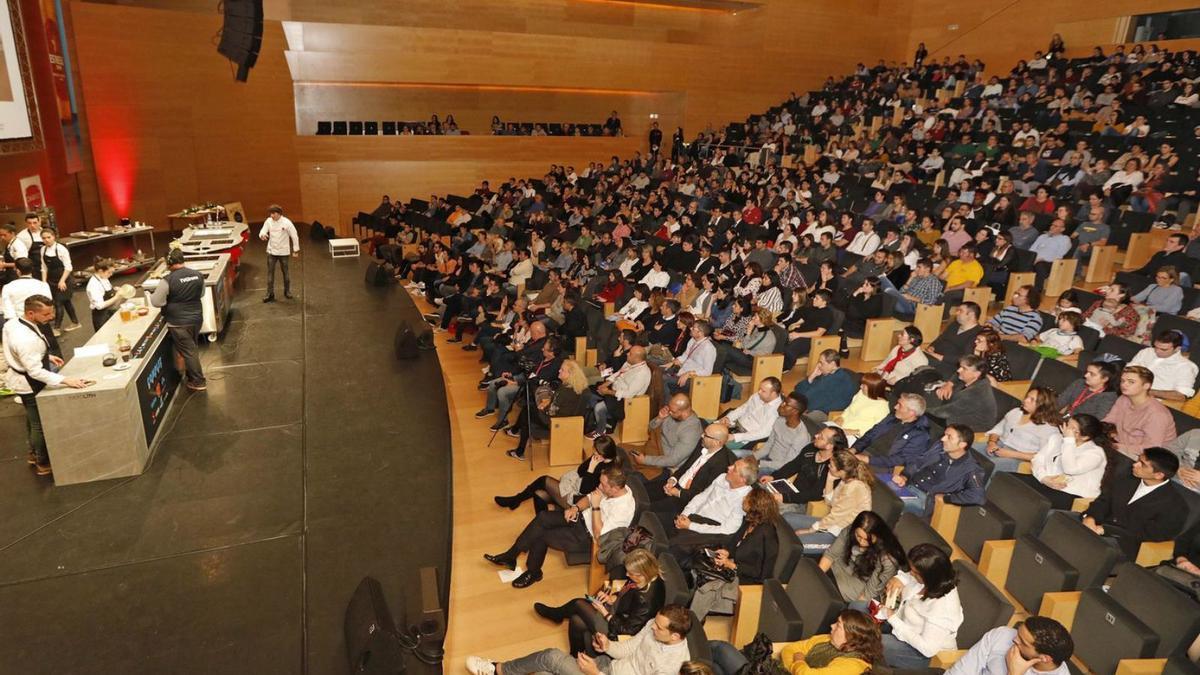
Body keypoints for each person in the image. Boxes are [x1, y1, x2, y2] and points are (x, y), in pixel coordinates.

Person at [484, 466, 635, 588]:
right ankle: (511, 555)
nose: (599, 486)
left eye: (603, 484)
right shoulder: (615, 487)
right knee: (543, 517)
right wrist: (575, 508)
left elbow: (599, 535)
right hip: (580, 518)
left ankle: (534, 572)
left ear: (614, 489)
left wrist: (596, 507)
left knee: (542, 536)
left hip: (587, 537)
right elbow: (589, 498)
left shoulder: (623, 509)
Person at [2, 295, 90, 476]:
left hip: (22, 374)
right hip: (28, 383)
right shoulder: (26, 340)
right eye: (46, 314)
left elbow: (19, 353)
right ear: (30, 313)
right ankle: (42, 462)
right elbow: (34, 371)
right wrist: (66, 380)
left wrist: (46, 357)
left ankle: (33, 455)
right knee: (39, 424)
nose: (51, 317)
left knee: (31, 419)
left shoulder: (12, 323)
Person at [466, 605, 692, 675]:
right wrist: (608, 646)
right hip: (609, 667)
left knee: (551, 657)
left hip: (603, 674)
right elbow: (631, 648)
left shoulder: (673, 667)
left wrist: (596, 674)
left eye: (658, 628)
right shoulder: (656, 624)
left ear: (675, 636)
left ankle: (498, 670)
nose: (652, 627)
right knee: (545, 674)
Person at [534, 548, 666, 656]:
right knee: (576, 620)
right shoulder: (647, 578)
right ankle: (575, 656)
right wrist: (613, 597)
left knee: (578, 605)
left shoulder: (646, 601)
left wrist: (604, 612)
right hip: (619, 611)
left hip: (618, 629)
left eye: (630, 573)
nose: (626, 574)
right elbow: (629, 589)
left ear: (641, 574)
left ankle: (557, 615)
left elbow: (628, 630)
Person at [689, 487, 780, 621]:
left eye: (747, 499)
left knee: (706, 587)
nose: (744, 499)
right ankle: (693, 615)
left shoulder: (767, 535)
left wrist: (732, 565)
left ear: (755, 505)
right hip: (734, 567)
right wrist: (727, 552)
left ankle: (692, 622)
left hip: (748, 580)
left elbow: (761, 574)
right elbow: (735, 542)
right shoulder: (749, 521)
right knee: (700, 568)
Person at [1082, 447, 1188, 559]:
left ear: (1158, 475)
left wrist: (1105, 529)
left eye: (1142, 464)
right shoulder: (1126, 479)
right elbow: (1102, 502)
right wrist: (1090, 518)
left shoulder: (1175, 505)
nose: (1135, 464)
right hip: (1096, 525)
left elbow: (1151, 534)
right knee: (1064, 522)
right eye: (1138, 459)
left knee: (1084, 545)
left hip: (1124, 543)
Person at [708, 610, 882, 675]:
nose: (831, 626)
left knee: (721, 648)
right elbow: (792, 648)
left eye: (838, 625)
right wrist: (799, 664)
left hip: (773, 670)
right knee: (714, 669)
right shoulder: (827, 640)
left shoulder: (853, 665)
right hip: (773, 668)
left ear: (851, 636)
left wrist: (798, 660)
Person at [878, 544, 963, 669]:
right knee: (859, 609)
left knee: (869, 644)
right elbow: (908, 576)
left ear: (929, 576)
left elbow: (927, 649)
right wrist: (899, 578)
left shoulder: (944, 607)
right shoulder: (927, 578)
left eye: (915, 573)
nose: (911, 574)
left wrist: (892, 618)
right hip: (901, 624)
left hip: (921, 653)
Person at [495, 435, 627, 512]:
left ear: (604, 454)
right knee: (539, 494)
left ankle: (515, 500)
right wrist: (590, 465)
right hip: (576, 489)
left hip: (580, 501)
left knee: (543, 480)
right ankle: (541, 522)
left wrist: (591, 469)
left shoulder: (607, 470)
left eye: (596, 451)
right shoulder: (598, 458)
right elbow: (580, 470)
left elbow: (584, 489)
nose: (593, 453)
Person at [665, 457, 759, 558]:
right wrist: (685, 514)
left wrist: (691, 525)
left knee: (672, 546)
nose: (729, 467)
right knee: (660, 524)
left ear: (742, 480)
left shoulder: (745, 500)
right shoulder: (722, 477)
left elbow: (727, 530)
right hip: (693, 517)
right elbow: (701, 497)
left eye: (734, 468)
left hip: (709, 531)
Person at [785, 448, 874, 553]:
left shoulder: (854, 488)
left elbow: (836, 515)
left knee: (794, 544)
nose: (828, 466)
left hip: (841, 534)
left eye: (831, 466)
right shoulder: (845, 480)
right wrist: (830, 479)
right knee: (787, 518)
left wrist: (810, 530)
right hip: (831, 524)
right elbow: (829, 502)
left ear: (841, 471)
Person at [1017, 414, 1113, 510]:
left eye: (1072, 429)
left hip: (1071, 494)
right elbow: (1038, 459)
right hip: (1047, 483)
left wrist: (1069, 441)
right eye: (1067, 424)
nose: (1066, 430)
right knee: (1010, 482)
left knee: (1026, 499)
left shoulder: (1095, 453)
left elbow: (1070, 469)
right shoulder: (1057, 438)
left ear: (1085, 437)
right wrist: (1043, 477)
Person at [892, 423, 987, 516]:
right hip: (908, 486)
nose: (943, 439)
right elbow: (918, 462)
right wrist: (905, 476)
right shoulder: (939, 447)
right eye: (944, 435)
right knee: (879, 487)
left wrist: (947, 498)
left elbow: (978, 496)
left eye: (949, 437)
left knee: (891, 502)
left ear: (962, 445)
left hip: (924, 499)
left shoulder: (970, 468)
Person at [820, 511, 905, 610]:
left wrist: (851, 611)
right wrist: (817, 576)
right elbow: (831, 555)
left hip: (858, 584)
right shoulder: (851, 530)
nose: (861, 542)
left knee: (821, 593)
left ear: (878, 535)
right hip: (839, 567)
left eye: (867, 539)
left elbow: (869, 593)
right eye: (858, 536)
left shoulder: (887, 559)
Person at [148, 249, 206, 392]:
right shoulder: (198, 275)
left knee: (189, 351)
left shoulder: (167, 280)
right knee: (191, 348)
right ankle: (192, 376)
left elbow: (156, 302)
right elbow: (202, 293)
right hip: (196, 318)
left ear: (170, 263)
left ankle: (198, 381)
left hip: (178, 322)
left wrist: (151, 295)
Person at [508, 358, 589, 460]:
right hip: (571, 421)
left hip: (557, 422)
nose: (559, 371)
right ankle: (515, 431)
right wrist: (549, 402)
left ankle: (519, 450)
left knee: (527, 411)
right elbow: (561, 403)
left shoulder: (564, 390)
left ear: (570, 374)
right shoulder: (581, 387)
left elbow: (551, 411)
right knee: (531, 408)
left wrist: (543, 407)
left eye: (562, 370)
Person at [647, 423, 735, 512]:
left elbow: (704, 494)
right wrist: (673, 479)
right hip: (675, 485)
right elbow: (686, 467)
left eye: (705, 435)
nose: (702, 436)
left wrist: (678, 493)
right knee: (644, 491)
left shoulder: (721, 465)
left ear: (717, 442)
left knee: (648, 509)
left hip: (685, 500)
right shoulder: (702, 444)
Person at [946, 617, 1074, 675]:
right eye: (1018, 633)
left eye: (1022, 642)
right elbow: (960, 671)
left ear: (1045, 658)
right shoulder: (1001, 635)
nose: (1014, 639)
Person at [760, 426, 846, 509]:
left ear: (829, 446)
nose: (816, 436)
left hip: (803, 502)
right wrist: (774, 477)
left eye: (821, 437)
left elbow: (815, 494)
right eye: (819, 433)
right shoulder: (811, 448)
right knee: (759, 490)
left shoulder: (832, 466)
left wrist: (784, 497)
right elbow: (794, 465)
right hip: (789, 490)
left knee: (765, 505)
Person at [1104, 366, 1177, 460]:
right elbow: (1110, 420)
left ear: (1146, 386)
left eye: (1131, 382)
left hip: (1147, 458)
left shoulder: (1157, 414)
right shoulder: (1124, 398)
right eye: (1123, 381)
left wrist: (1116, 446)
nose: (1124, 385)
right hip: (1121, 444)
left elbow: (1151, 447)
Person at [983, 386, 1062, 473]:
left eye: (1031, 399)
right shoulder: (1016, 412)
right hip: (998, 446)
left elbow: (1044, 456)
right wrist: (991, 443)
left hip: (1019, 459)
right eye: (1027, 397)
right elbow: (998, 429)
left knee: (985, 467)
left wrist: (1012, 454)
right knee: (968, 451)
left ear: (1042, 405)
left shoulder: (1049, 429)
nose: (1026, 400)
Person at [854, 394, 933, 474]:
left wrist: (867, 459)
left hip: (882, 466)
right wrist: (854, 449)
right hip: (864, 453)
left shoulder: (920, 435)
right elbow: (871, 434)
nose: (895, 407)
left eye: (900, 405)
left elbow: (900, 460)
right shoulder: (892, 417)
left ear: (911, 413)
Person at [633, 393, 703, 476]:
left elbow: (673, 460)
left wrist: (645, 460)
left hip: (663, 461)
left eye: (672, 411)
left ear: (684, 412)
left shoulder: (691, 430)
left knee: (632, 473)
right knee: (621, 451)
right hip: (653, 447)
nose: (669, 412)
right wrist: (660, 418)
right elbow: (650, 429)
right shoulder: (675, 414)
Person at [589, 345, 651, 437]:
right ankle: (602, 421)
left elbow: (628, 394)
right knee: (589, 393)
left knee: (599, 407)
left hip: (623, 400)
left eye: (630, 354)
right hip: (613, 390)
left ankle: (601, 430)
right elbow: (617, 374)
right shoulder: (629, 363)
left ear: (637, 358)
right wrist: (605, 385)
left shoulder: (642, 373)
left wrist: (607, 392)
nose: (627, 354)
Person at [926, 355, 998, 434]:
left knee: (928, 418)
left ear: (977, 374)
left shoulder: (975, 393)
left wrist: (923, 410)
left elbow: (946, 412)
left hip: (975, 425)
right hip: (960, 411)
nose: (958, 370)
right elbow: (957, 376)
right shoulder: (980, 378)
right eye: (960, 367)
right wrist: (949, 384)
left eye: (964, 369)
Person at [750, 392, 811, 474]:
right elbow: (768, 445)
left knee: (743, 471)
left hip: (776, 469)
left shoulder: (801, 437)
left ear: (795, 411)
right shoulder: (780, 420)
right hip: (766, 458)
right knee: (736, 456)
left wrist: (759, 463)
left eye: (786, 404)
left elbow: (786, 464)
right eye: (783, 401)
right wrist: (753, 457)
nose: (781, 405)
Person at [1129, 330, 1199, 401]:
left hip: (1151, 401)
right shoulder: (1147, 352)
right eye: (1156, 347)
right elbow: (1129, 370)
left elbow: (1181, 395)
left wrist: (1147, 391)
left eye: (1163, 349)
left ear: (1177, 349)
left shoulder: (1186, 367)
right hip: (1128, 391)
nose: (1157, 351)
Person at [718, 377, 783, 449]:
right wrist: (729, 418)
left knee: (714, 443)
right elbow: (743, 409)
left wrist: (735, 437)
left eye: (763, 391)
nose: (759, 392)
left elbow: (763, 433)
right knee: (708, 428)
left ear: (773, 394)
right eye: (759, 389)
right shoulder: (757, 396)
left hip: (745, 438)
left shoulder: (777, 411)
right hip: (734, 425)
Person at [38, 229, 81, 334]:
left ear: (54, 237)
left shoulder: (61, 249)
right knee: (66, 302)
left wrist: (62, 281)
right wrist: (44, 282)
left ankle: (56, 328)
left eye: (49, 237)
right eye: (44, 238)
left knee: (58, 303)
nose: (46, 240)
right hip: (51, 281)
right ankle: (76, 323)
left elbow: (68, 267)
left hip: (65, 280)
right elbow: (44, 267)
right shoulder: (43, 250)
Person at [793, 350, 858, 415]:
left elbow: (806, 399)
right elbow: (797, 389)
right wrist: (812, 376)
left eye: (821, 363)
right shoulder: (827, 374)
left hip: (826, 415)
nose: (818, 365)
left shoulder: (837, 380)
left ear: (832, 364)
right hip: (814, 409)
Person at [258, 204, 300, 302]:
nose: (272, 215)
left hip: (283, 252)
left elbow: (294, 236)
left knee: (285, 273)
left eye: (274, 213)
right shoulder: (268, 221)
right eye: (271, 213)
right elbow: (263, 231)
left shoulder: (287, 222)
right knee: (270, 273)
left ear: (279, 214)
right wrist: (262, 235)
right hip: (271, 251)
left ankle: (287, 291)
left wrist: (295, 250)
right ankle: (270, 294)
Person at [835, 373, 890, 441]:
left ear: (873, 388)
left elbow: (877, 430)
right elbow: (849, 409)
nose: (860, 386)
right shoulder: (861, 393)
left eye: (864, 385)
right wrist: (841, 418)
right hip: (841, 427)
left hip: (854, 436)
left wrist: (856, 432)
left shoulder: (882, 407)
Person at [1, 258, 51, 324]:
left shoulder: (8, 287)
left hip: (18, 323)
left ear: (18, 271)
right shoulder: (43, 285)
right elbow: (49, 304)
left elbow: (8, 311)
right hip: (40, 322)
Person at [85, 258, 121, 331]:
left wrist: (114, 290)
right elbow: (99, 306)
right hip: (102, 317)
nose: (111, 275)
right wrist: (116, 297)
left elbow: (104, 291)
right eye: (109, 272)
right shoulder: (93, 285)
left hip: (111, 312)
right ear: (100, 271)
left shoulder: (103, 277)